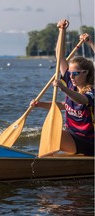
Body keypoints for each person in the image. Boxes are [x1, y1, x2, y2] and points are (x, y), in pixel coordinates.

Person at [30, 19, 94, 156]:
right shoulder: (71, 83)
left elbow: (81, 100)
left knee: (54, 133)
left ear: (86, 73)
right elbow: (60, 56)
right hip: (73, 136)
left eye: (75, 73)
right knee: (50, 132)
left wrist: (91, 43)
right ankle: (44, 161)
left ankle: (41, 164)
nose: (71, 76)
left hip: (89, 141)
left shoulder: (91, 91)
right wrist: (61, 31)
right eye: (70, 73)